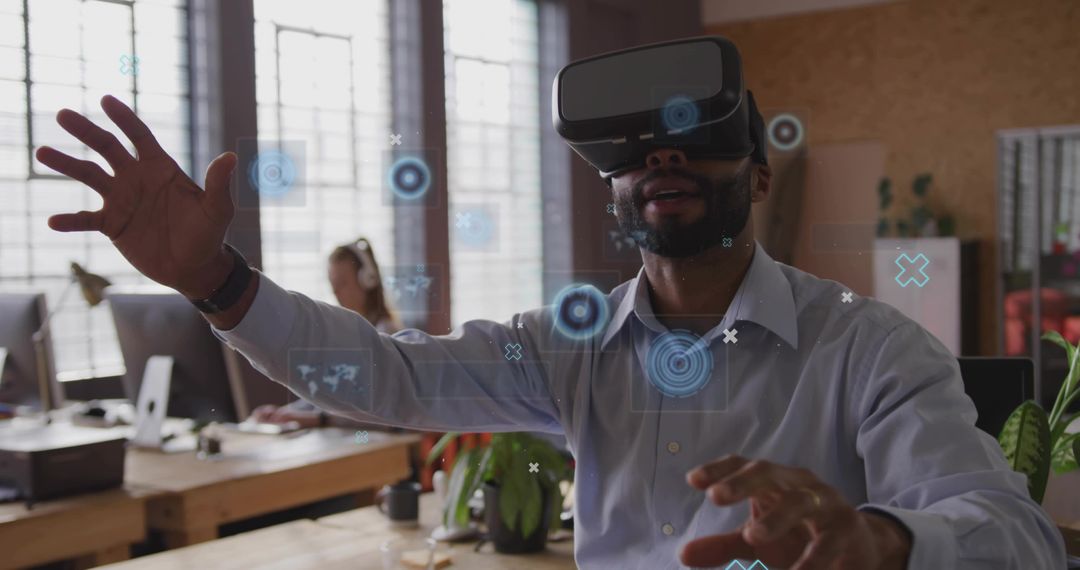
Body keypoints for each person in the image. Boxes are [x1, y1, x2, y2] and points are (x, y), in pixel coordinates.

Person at [34, 35, 1065, 569]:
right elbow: (383, 376)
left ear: (758, 175)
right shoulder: (568, 348)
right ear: (611, 187)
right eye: (633, 149)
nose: (661, 156)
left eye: (696, 137)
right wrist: (216, 280)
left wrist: (884, 544)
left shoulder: (870, 351)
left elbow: (1018, 539)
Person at [249, 238, 403, 428]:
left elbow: (383, 414)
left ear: (367, 280)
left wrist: (315, 419)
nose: (336, 292)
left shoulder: (386, 335)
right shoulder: (349, 334)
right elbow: (329, 394)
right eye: (332, 284)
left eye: (342, 283)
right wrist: (283, 412)